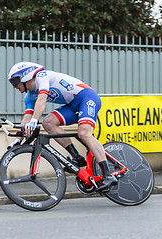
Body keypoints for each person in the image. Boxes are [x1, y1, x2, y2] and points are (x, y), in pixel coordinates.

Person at [7, 61, 117, 192]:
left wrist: (34, 121)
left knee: (84, 134)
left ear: (25, 76)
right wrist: (18, 139)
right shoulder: (29, 96)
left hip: (87, 97)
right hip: (72, 105)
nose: (14, 86)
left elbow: (42, 99)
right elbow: (27, 117)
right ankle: (77, 157)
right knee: (48, 123)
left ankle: (108, 174)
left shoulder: (42, 76)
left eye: (15, 81)